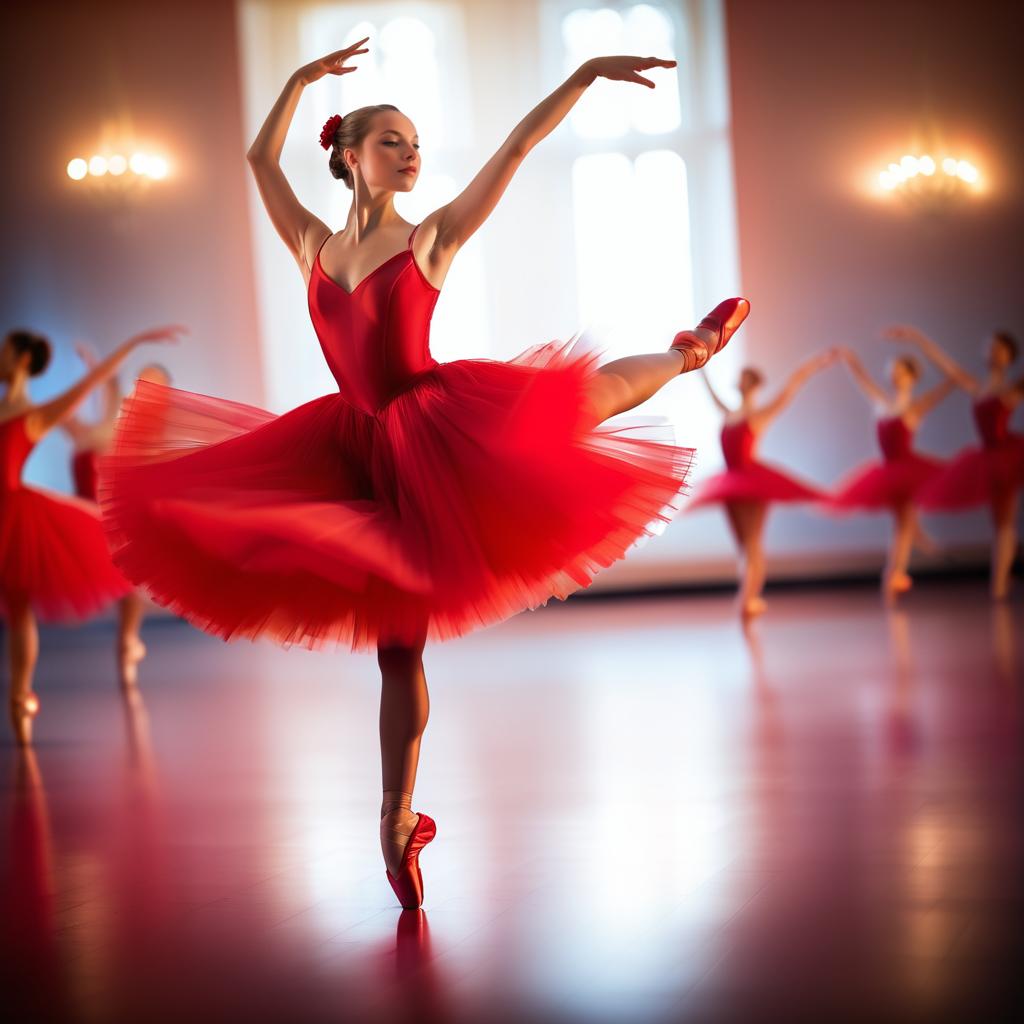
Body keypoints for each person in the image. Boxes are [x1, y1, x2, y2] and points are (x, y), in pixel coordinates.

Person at [99, 40, 750, 909]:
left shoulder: (431, 238)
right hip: (347, 445)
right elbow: (258, 157)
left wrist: (581, 77)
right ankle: (397, 818)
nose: (410, 154)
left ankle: (688, 350)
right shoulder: (311, 246)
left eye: (414, 143)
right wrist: (297, 82)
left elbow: (513, 152)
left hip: (434, 423)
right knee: (395, 645)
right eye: (392, 142)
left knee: (576, 402)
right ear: (350, 156)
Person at [0, 326, 181, 744]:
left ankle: (22, 696)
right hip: (39, 508)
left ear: (22, 360)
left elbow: (99, 386)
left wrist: (130, 345)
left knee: (24, 605)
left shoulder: (47, 415)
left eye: (6, 351)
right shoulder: (69, 428)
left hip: (32, 515)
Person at [689, 350, 837, 616]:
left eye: (745, 377)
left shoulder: (759, 415)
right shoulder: (729, 412)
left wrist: (816, 363)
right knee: (743, 545)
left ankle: (748, 599)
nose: (739, 380)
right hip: (730, 482)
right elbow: (709, 391)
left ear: (754, 384)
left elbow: (790, 388)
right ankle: (750, 597)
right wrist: (700, 366)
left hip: (752, 482)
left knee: (753, 542)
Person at [885, 325, 1023, 600]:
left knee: (1005, 522)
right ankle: (1003, 576)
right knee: (999, 523)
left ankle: (999, 586)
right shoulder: (976, 386)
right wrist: (918, 338)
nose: (993, 351)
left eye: (999, 348)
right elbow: (945, 365)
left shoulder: (1013, 388)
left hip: (1007, 456)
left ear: (1010, 356)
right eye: (990, 346)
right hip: (986, 458)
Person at [62, 346, 174, 686]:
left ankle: (127, 641)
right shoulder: (107, 424)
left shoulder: (149, 433)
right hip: (84, 514)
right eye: (144, 383)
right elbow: (108, 393)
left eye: (156, 387)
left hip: (114, 515)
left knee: (126, 577)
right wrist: (96, 368)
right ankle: (127, 641)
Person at [831, 345, 955, 599]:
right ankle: (929, 553)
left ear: (911, 377)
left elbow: (950, 381)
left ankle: (896, 574)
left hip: (908, 471)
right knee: (905, 525)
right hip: (887, 473)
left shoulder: (916, 406)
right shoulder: (882, 401)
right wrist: (850, 359)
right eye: (892, 371)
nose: (894, 375)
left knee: (904, 526)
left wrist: (917, 340)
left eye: (899, 371)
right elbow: (863, 380)